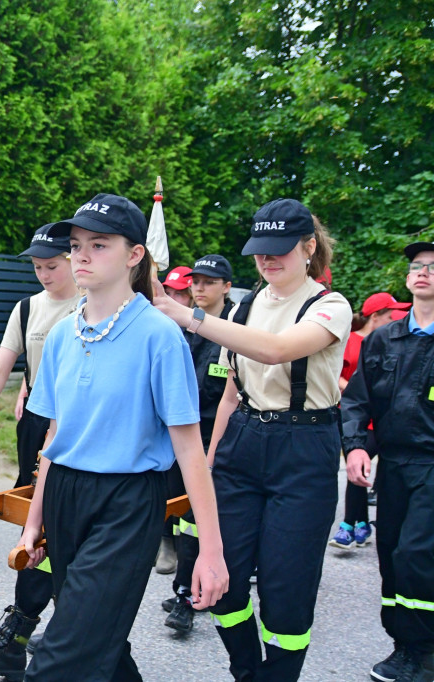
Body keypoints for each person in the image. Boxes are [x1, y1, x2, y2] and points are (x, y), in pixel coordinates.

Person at [18, 193, 229, 680]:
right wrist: (36, 519)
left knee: (60, 656)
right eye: (76, 245)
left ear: (135, 255)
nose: (82, 256)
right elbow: (54, 436)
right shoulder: (62, 335)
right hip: (67, 496)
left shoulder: (160, 335)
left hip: (128, 503)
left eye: (100, 244)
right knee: (102, 647)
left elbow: (188, 449)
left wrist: (212, 552)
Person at [154, 198, 351, 681]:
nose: (266, 260)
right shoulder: (245, 305)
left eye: (279, 249)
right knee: (224, 579)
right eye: (260, 250)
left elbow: (275, 349)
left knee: (287, 589)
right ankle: (245, 670)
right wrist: (212, 460)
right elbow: (230, 394)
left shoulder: (330, 305)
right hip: (242, 442)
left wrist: (187, 316)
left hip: (304, 449)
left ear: (308, 247)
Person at [0, 224, 82, 681]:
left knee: (66, 526)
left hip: (83, 426)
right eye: (37, 266)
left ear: (73, 259)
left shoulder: (93, 304)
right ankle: (22, 635)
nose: (44, 274)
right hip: (37, 423)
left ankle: (66, 631)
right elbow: (4, 362)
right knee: (35, 523)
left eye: (52, 265)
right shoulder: (28, 308)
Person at [341, 242, 434, 682]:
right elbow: (357, 401)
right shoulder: (385, 337)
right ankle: (404, 648)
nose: (424, 272)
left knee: (418, 555)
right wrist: (356, 446)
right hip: (394, 466)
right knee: (393, 557)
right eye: (417, 266)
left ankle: (423, 651)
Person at [161, 254, 236, 634]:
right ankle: (188, 588)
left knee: (197, 520)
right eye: (196, 282)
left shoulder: (235, 328)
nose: (199, 288)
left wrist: (214, 450)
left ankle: (187, 599)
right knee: (179, 518)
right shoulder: (182, 327)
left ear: (226, 286)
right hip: (179, 436)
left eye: (209, 282)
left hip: (217, 439)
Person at [328, 292, 408, 551]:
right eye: (390, 315)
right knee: (358, 466)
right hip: (357, 416)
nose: (396, 319)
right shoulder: (351, 341)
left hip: (384, 419)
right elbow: (335, 373)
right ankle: (352, 525)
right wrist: (357, 391)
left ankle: (362, 522)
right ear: (375, 317)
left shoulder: (392, 341)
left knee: (372, 472)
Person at [156, 264, 196, 574]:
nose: (173, 299)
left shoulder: (205, 329)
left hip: (195, 424)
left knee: (189, 486)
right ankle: (165, 540)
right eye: (168, 292)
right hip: (161, 422)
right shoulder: (156, 329)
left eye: (180, 294)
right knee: (166, 484)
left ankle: (192, 547)